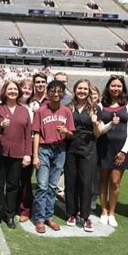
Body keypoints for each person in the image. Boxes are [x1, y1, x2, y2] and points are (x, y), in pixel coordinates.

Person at [32, 80, 75, 233]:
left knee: (52, 187)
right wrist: (35, 155)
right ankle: (39, 218)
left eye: (59, 91)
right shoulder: (41, 111)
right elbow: (36, 133)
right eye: (52, 91)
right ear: (48, 92)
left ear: (63, 94)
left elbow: (71, 135)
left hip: (60, 150)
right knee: (42, 185)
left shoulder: (67, 111)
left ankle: (49, 217)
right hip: (44, 149)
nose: (56, 94)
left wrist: (66, 131)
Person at [0, 80, 32, 229]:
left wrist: (28, 154)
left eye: (15, 89)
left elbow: (28, 134)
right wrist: (0, 125)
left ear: (18, 92)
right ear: (4, 91)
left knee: (13, 185)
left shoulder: (24, 110)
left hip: (17, 153)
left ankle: (10, 215)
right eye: (9, 89)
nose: (12, 91)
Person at [97, 75, 128, 227]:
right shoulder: (101, 104)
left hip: (121, 149)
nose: (116, 88)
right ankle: (103, 211)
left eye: (119, 86)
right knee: (103, 179)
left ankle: (112, 213)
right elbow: (100, 128)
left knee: (115, 181)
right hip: (103, 147)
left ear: (123, 88)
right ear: (108, 87)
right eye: (113, 86)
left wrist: (124, 151)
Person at [64, 79, 103, 232]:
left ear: (88, 91)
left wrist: (94, 122)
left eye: (85, 89)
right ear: (75, 89)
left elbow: (98, 133)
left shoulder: (94, 108)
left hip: (88, 148)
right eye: (79, 88)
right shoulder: (68, 107)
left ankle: (85, 216)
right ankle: (72, 213)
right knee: (71, 181)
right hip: (71, 147)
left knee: (86, 183)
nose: (82, 91)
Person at [17, 79, 34, 222]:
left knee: (25, 181)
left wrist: (28, 152)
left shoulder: (32, 108)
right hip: (12, 148)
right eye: (24, 87)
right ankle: (12, 206)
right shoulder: (12, 105)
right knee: (12, 180)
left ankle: (25, 209)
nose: (26, 90)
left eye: (29, 88)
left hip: (27, 149)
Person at [54, 71, 72, 202]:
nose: (61, 83)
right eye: (58, 80)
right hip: (50, 137)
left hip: (66, 137)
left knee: (63, 166)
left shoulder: (71, 98)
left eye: (63, 81)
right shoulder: (49, 96)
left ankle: (60, 190)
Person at [90, 85, 101, 210]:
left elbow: (101, 130)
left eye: (95, 93)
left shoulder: (100, 108)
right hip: (87, 144)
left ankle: (93, 198)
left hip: (99, 145)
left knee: (95, 175)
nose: (93, 96)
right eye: (91, 93)